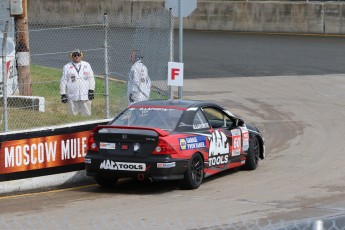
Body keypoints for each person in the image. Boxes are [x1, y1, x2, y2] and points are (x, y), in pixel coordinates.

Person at [60, 49, 95, 116]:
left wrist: (91, 90)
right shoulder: (67, 67)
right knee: (72, 115)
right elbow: (63, 81)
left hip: (85, 94)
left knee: (87, 114)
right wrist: (63, 94)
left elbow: (91, 79)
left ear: (81, 56)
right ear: (72, 56)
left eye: (78, 55)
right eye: (75, 55)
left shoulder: (87, 65)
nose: (76, 57)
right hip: (72, 94)